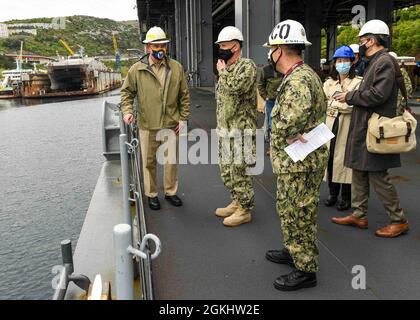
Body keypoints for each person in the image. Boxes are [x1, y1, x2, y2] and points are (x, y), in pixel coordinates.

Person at [265, 20, 329, 291]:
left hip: (300, 162)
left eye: (272, 48)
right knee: (289, 209)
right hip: (295, 160)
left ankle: (305, 269)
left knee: (299, 213)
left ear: (279, 49)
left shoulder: (299, 79)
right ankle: (293, 250)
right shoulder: (298, 75)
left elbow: (291, 119)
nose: (270, 53)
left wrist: (287, 130)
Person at [332, 20, 409, 238]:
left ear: (372, 40)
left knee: (378, 175)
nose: (361, 45)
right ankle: (359, 214)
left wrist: (349, 96)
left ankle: (398, 220)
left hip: (373, 129)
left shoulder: (383, 61)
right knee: (359, 170)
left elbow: (378, 95)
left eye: (362, 41)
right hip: (365, 128)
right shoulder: (376, 61)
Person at [120, 26, 190, 211]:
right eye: (156, 45)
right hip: (147, 124)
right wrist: (127, 111)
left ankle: (170, 192)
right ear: (148, 48)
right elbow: (127, 93)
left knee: (170, 161)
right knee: (148, 163)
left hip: (170, 124)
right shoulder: (137, 70)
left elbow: (184, 95)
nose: (160, 49)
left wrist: (183, 118)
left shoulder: (176, 68)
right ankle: (151, 195)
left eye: (163, 45)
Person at [214, 26, 258, 227]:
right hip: (225, 130)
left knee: (240, 171)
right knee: (227, 171)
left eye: (224, 45)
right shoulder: (226, 69)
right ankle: (236, 200)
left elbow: (236, 87)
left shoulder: (246, 66)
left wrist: (222, 73)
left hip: (242, 131)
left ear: (236, 46)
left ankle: (244, 209)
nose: (221, 49)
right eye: (220, 46)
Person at [323, 46, 362, 211]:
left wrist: (335, 103)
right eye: (339, 61)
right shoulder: (329, 83)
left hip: (347, 126)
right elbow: (324, 102)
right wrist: (342, 102)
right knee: (330, 159)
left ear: (352, 62)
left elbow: (353, 106)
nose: (342, 64)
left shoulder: (358, 82)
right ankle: (333, 194)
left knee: (345, 161)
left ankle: (345, 197)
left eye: (345, 61)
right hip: (330, 125)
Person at [257, 50, 283, 155]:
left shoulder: (284, 69)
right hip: (271, 101)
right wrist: (265, 96)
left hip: (282, 101)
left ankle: (281, 146)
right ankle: (272, 147)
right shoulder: (265, 70)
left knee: (283, 124)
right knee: (270, 125)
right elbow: (260, 85)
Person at [389, 52, 413, 116]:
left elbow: (408, 85)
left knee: (397, 118)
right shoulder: (386, 71)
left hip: (398, 100)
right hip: (389, 101)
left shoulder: (401, 71)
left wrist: (404, 97)